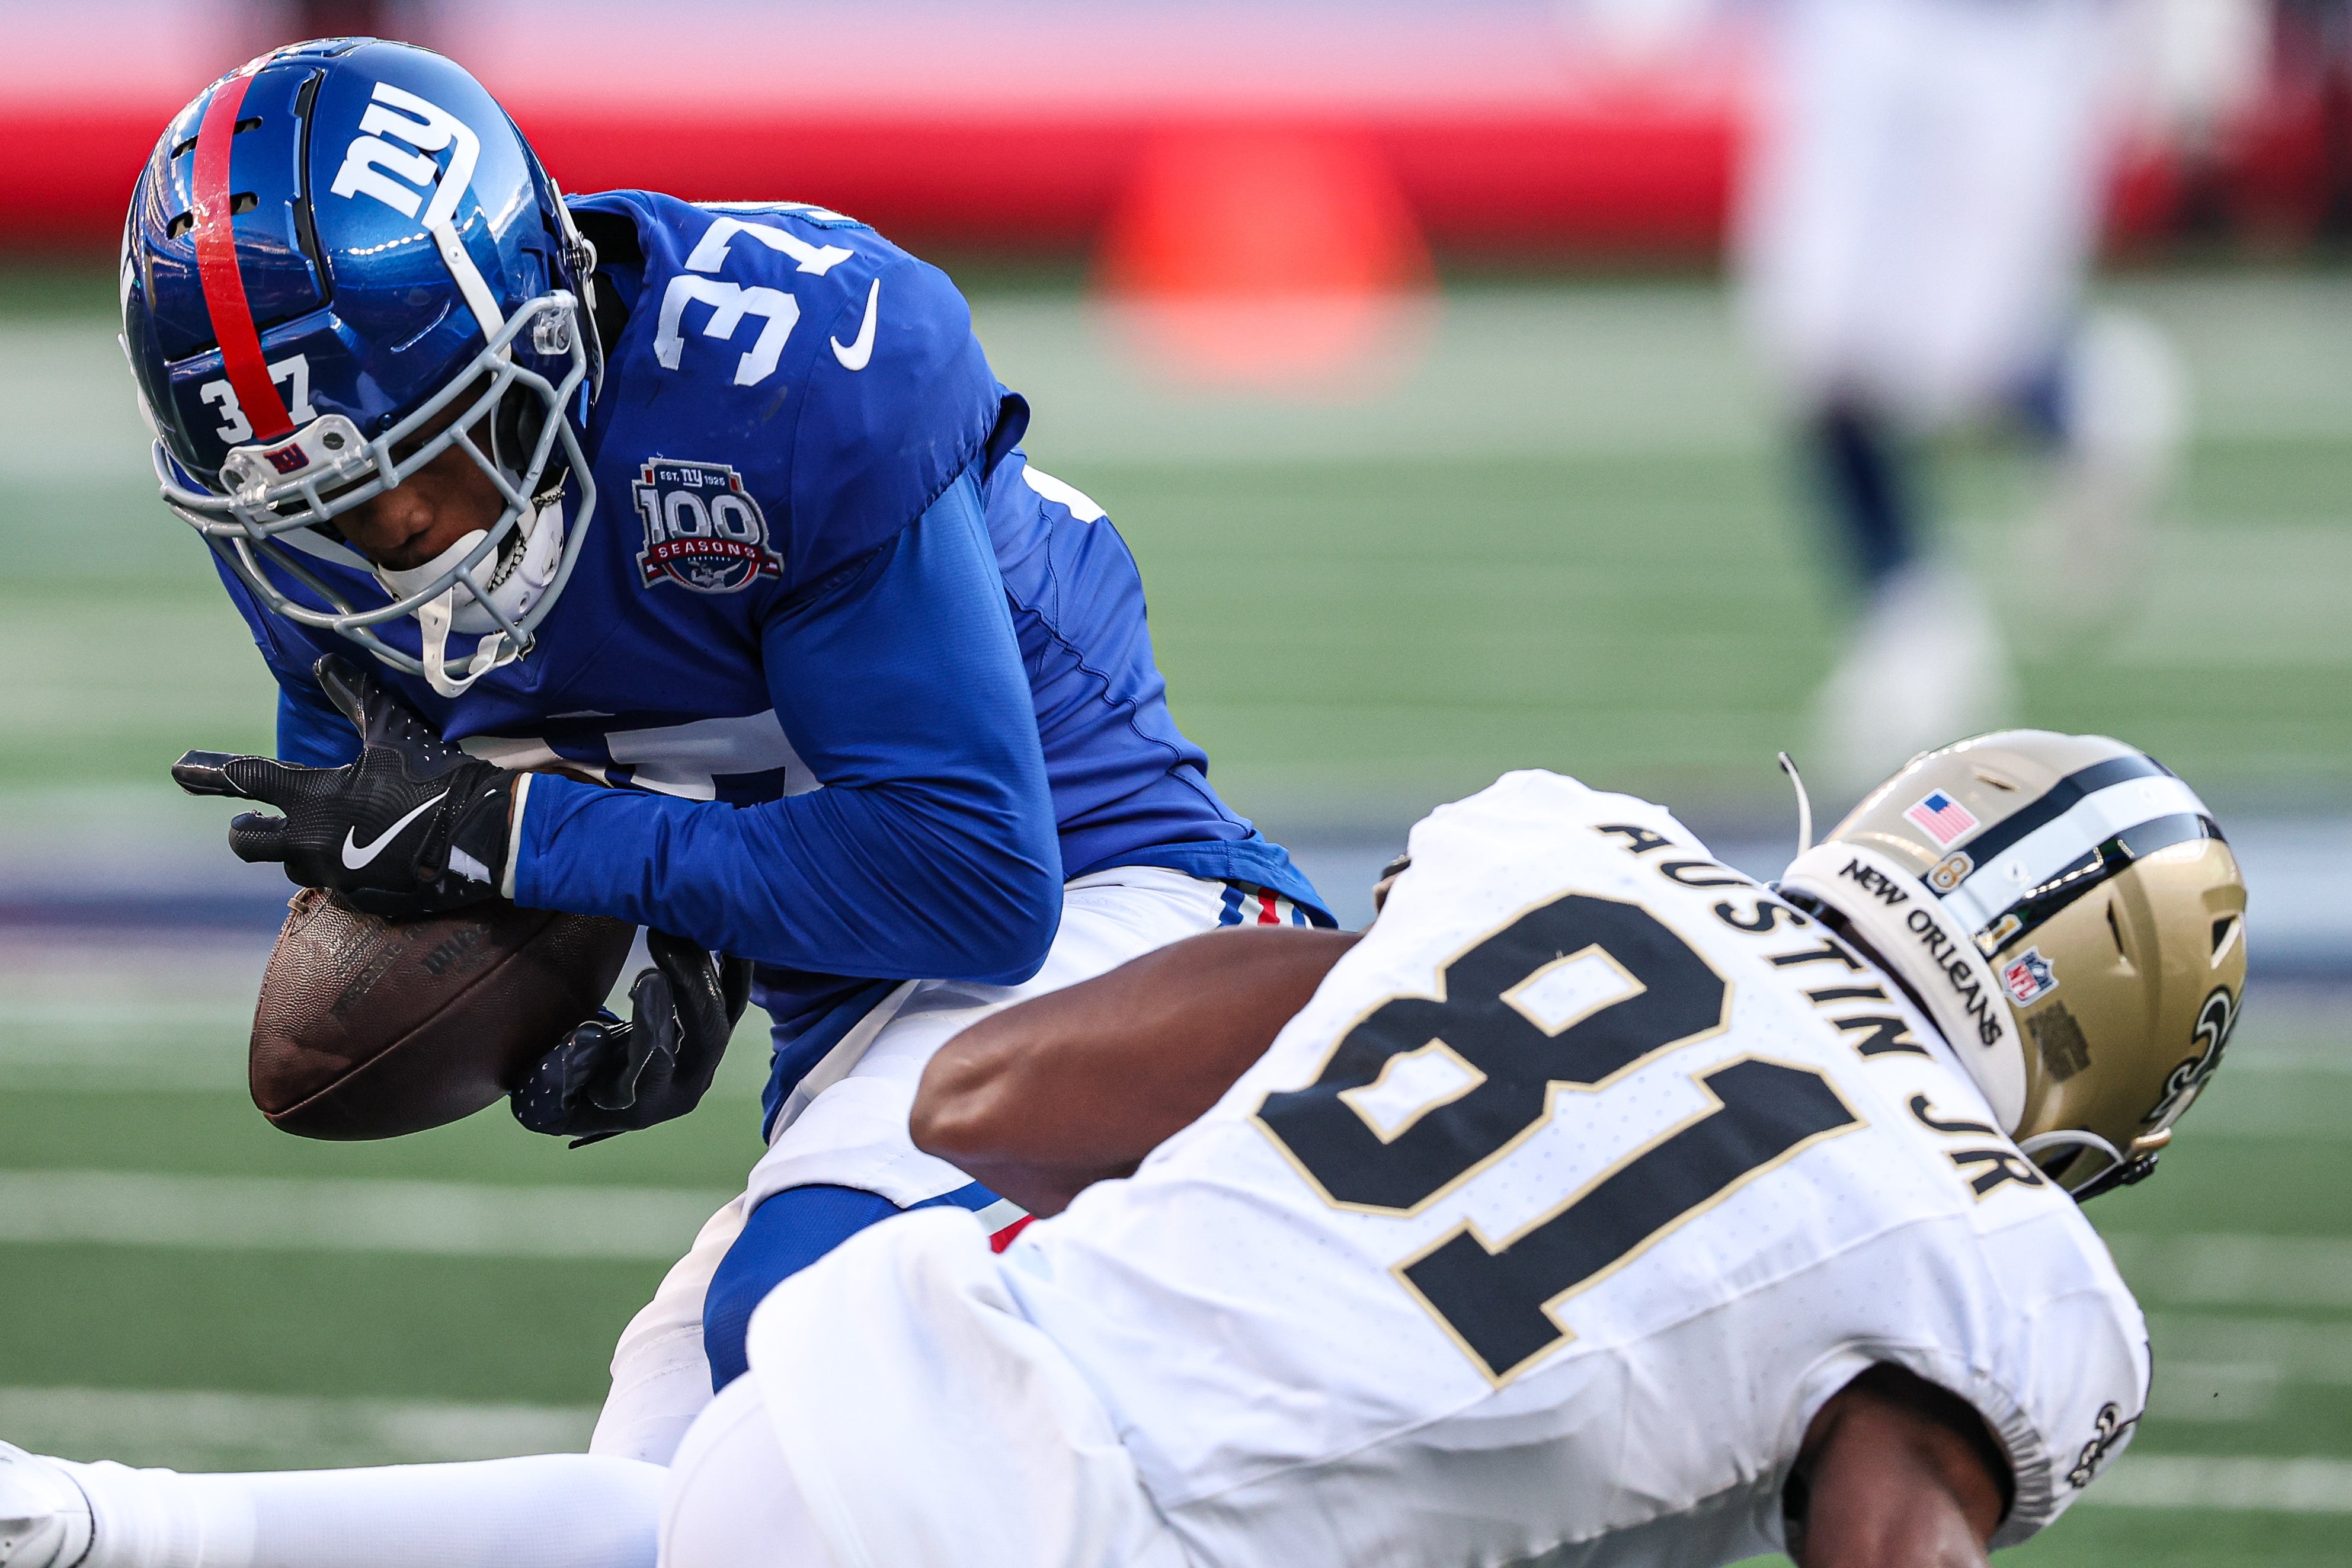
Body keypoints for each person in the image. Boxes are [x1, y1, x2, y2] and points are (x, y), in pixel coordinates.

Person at [0, 731, 2248, 1567]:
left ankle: (111, 1517)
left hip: (903, 1382)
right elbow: (1883, 1548)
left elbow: (988, 1099)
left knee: (732, 1528)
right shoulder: (1993, 1253)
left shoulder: (1568, 845)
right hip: (1124, 1532)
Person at [113, 34, 1327, 1471]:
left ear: (544, 339)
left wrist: (522, 839)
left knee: (806, 1327)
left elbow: (976, 886)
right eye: (326, 510)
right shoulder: (310, 543)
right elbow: (439, 857)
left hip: (1128, 916)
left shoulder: (776, 380)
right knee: (677, 1480)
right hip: (859, 1020)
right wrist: (634, 969)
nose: (395, 545)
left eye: (428, 465)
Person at [1737, 0, 2189, 798]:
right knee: (1811, 341)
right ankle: (1909, 618)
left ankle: (2079, 398)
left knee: (1958, 363)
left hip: (2008, 40)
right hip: (1863, 30)